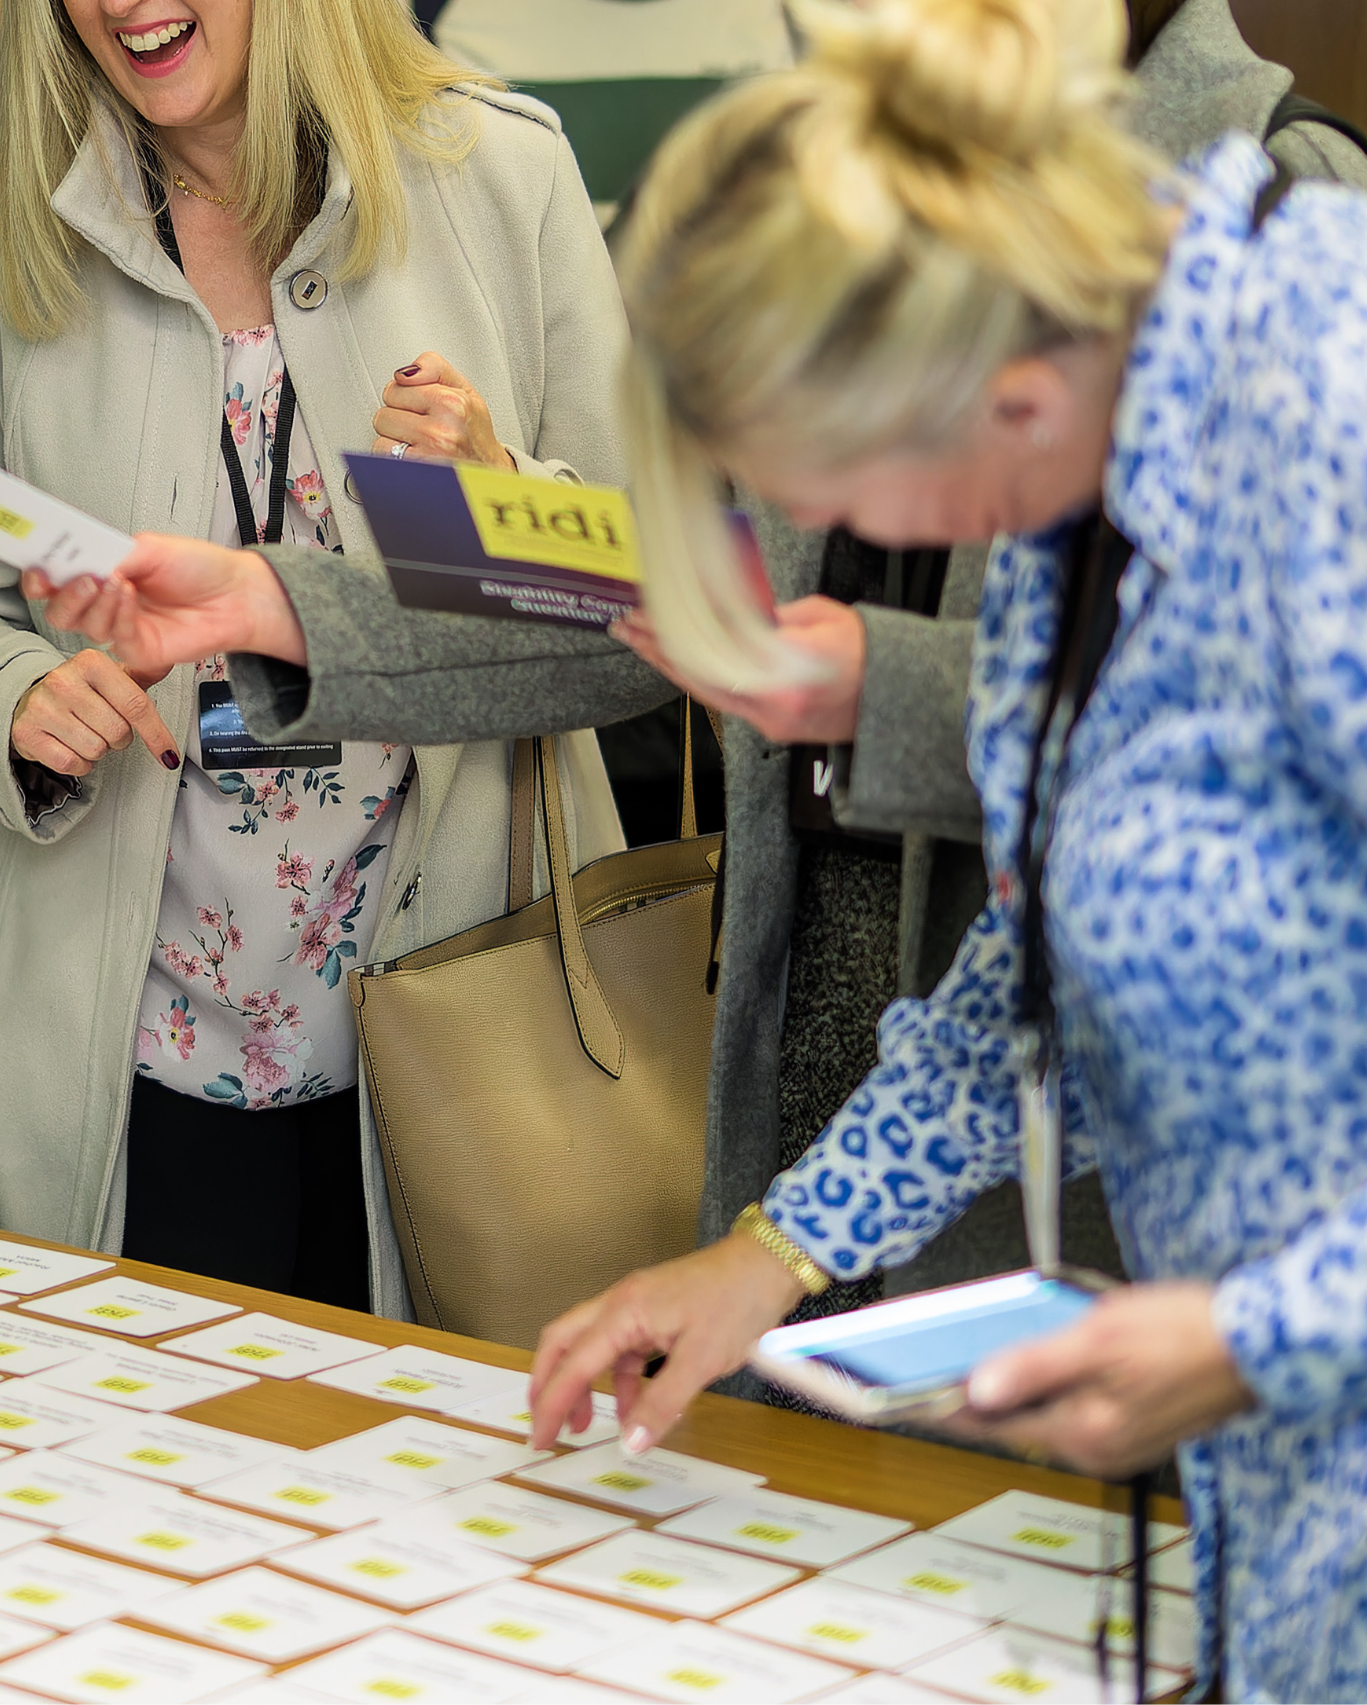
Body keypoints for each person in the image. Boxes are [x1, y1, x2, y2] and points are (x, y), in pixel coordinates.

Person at [504, 0, 1358, 1695]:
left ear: (995, 398)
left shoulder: (1326, 407)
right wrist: (774, 1252)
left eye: (868, 501)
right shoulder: (1083, 451)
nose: (890, 556)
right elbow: (1047, 960)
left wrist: (1255, 1332)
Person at [0, 0, 637, 1310]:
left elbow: (647, 605)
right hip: (126, 1056)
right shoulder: (3, 217)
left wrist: (493, 492)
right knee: (117, 1490)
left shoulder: (499, 175)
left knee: (435, 1499)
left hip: (459, 1039)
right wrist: (7, 695)